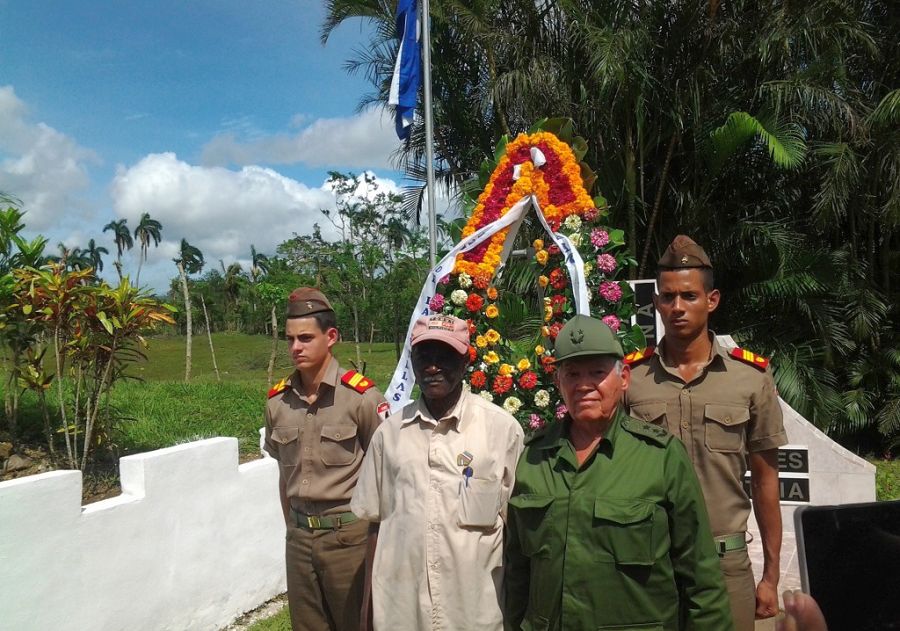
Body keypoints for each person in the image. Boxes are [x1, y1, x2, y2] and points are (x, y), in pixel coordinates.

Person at [504, 315, 733, 630]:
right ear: (558, 382)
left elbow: (701, 576)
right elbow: (518, 572)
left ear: (623, 377)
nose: (584, 385)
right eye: (572, 374)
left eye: (597, 372)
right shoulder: (533, 458)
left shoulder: (660, 457)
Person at [624, 235, 787, 630]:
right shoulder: (632, 379)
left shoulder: (749, 379)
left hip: (725, 564)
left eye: (689, 296)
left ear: (711, 300)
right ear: (656, 303)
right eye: (667, 297)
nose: (677, 307)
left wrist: (770, 576)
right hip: (650, 562)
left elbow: (766, 482)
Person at [351, 314, 524, 631]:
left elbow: (517, 534)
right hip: (402, 609)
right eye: (424, 357)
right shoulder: (389, 435)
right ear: (412, 362)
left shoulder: (502, 432)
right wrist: (367, 609)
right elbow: (376, 524)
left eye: (444, 356)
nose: (432, 367)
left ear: (465, 361)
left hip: (474, 610)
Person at [264, 287, 388, 631]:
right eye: (290, 339)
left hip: (349, 539)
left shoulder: (361, 398)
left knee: (359, 624)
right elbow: (282, 475)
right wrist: (293, 528)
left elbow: (385, 472)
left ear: (330, 336)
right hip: (300, 539)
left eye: (305, 338)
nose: (295, 348)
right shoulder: (278, 402)